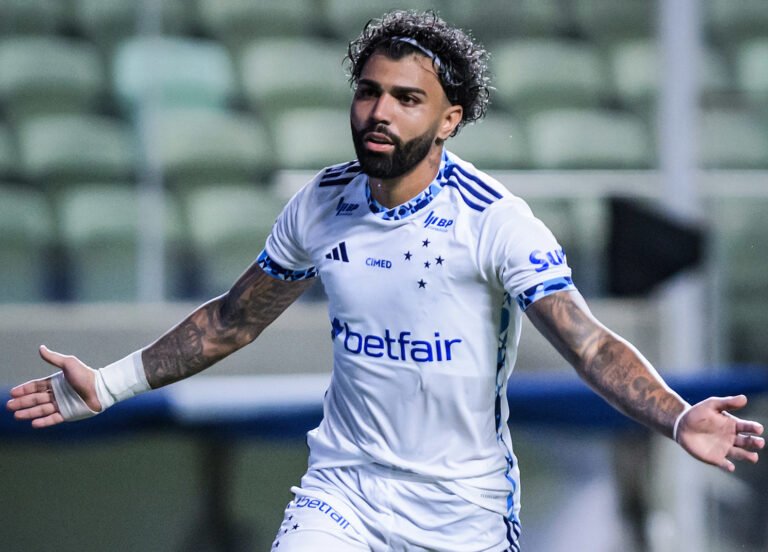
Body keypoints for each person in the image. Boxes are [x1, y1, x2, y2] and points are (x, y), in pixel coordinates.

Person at [6, 10, 764, 552]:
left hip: (463, 515)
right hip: (343, 494)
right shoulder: (321, 202)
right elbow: (235, 320)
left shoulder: (494, 221)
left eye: (407, 99)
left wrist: (676, 418)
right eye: (368, 91)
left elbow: (588, 344)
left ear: (449, 120)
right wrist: (108, 385)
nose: (379, 112)